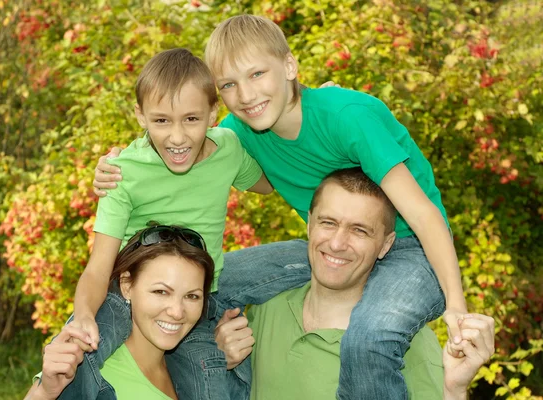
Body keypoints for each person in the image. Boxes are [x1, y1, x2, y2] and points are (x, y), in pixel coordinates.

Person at [93, 14, 468, 400]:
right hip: (334, 247)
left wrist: (456, 304)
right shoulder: (238, 133)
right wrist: (117, 167)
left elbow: (424, 214)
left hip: (412, 248)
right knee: (201, 285)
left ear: (290, 66)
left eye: (257, 74)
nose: (246, 94)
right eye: (229, 85)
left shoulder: (347, 117)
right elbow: (177, 134)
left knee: (370, 338)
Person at [213, 169, 495, 400]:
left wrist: (453, 391)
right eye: (328, 223)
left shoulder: (401, 343)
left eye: (359, 230)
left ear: (385, 245)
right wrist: (216, 361)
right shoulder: (263, 307)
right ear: (310, 224)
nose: (337, 243)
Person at [71, 47, 272, 359]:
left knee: (300, 259)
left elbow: (272, 183)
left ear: (213, 114)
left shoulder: (229, 150)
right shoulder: (123, 173)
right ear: (141, 115)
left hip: (204, 292)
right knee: (79, 351)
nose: (177, 137)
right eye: (161, 120)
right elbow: (99, 269)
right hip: (131, 295)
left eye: (191, 119)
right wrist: (84, 316)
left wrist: (309, 111)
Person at [24, 225, 215, 400]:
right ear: (126, 286)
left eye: (192, 296)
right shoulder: (89, 365)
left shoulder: (196, 374)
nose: (177, 312)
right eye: (161, 292)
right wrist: (45, 392)